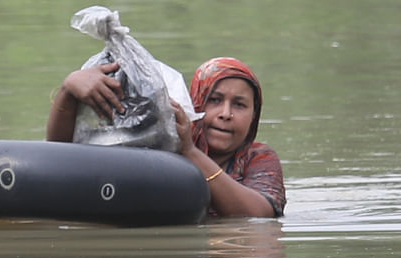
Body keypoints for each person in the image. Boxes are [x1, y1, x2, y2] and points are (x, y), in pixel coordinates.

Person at [46, 57, 285, 218]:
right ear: (195, 104)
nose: (225, 114)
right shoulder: (163, 148)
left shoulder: (259, 158)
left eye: (240, 105)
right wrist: (68, 91)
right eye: (214, 100)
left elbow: (260, 215)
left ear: (254, 116)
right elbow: (60, 161)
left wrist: (190, 151)